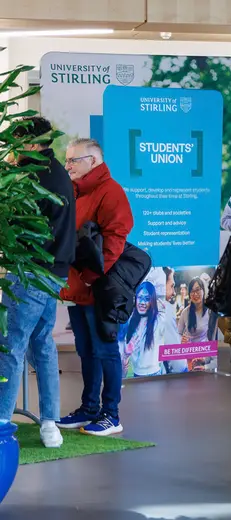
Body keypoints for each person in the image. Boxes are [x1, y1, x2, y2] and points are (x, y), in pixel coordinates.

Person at [0, 116, 75, 448]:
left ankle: (2, 422)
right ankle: (50, 424)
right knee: (42, 345)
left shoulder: (30, 176)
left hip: (29, 270)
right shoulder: (56, 172)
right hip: (54, 273)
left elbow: (15, 221)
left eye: (15, 142)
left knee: (11, 345)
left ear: (29, 143)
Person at [56, 137, 133, 437]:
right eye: (67, 160)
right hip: (77, 286)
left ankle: (111, 414)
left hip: (98, 287)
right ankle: (89, 408)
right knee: (86, 351)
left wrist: (91, 276)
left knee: (105, 350)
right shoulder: (74, 193)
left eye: (73, 160)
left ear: (93, 161)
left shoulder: (110, 192)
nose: (67, 166)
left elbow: (115, 238)